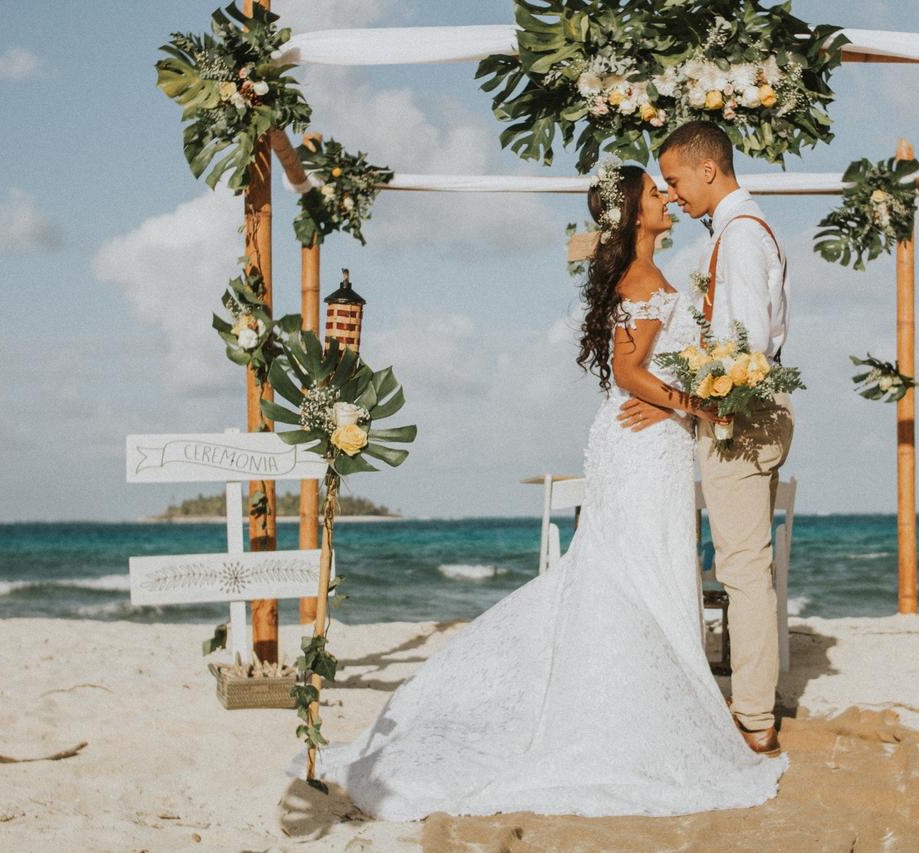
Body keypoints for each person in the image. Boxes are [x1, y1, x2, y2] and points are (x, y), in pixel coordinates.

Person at [294, 161, 787, 821]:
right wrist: (693, 405)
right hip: (643, 446)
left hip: (646, 445)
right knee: (634, 573)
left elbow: (637, 368)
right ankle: (625, 709)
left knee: (634, 571)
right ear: (634, 213)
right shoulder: (640, 279)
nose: (666, 197)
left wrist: (681, 403)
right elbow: (629, 370)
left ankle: (642, 692)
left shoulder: (643, 275)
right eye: (654, 191)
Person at [619, 120, 793, 756]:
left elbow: (740, 354)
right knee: (747, 565)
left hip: (740, 416)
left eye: (675, 179)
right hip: (738, 411)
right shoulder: (736, 234)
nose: (672, 194)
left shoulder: (741, 239)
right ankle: (751, 706)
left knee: (744, 570)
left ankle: (753, 717)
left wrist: (679, 410)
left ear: (708, 171)